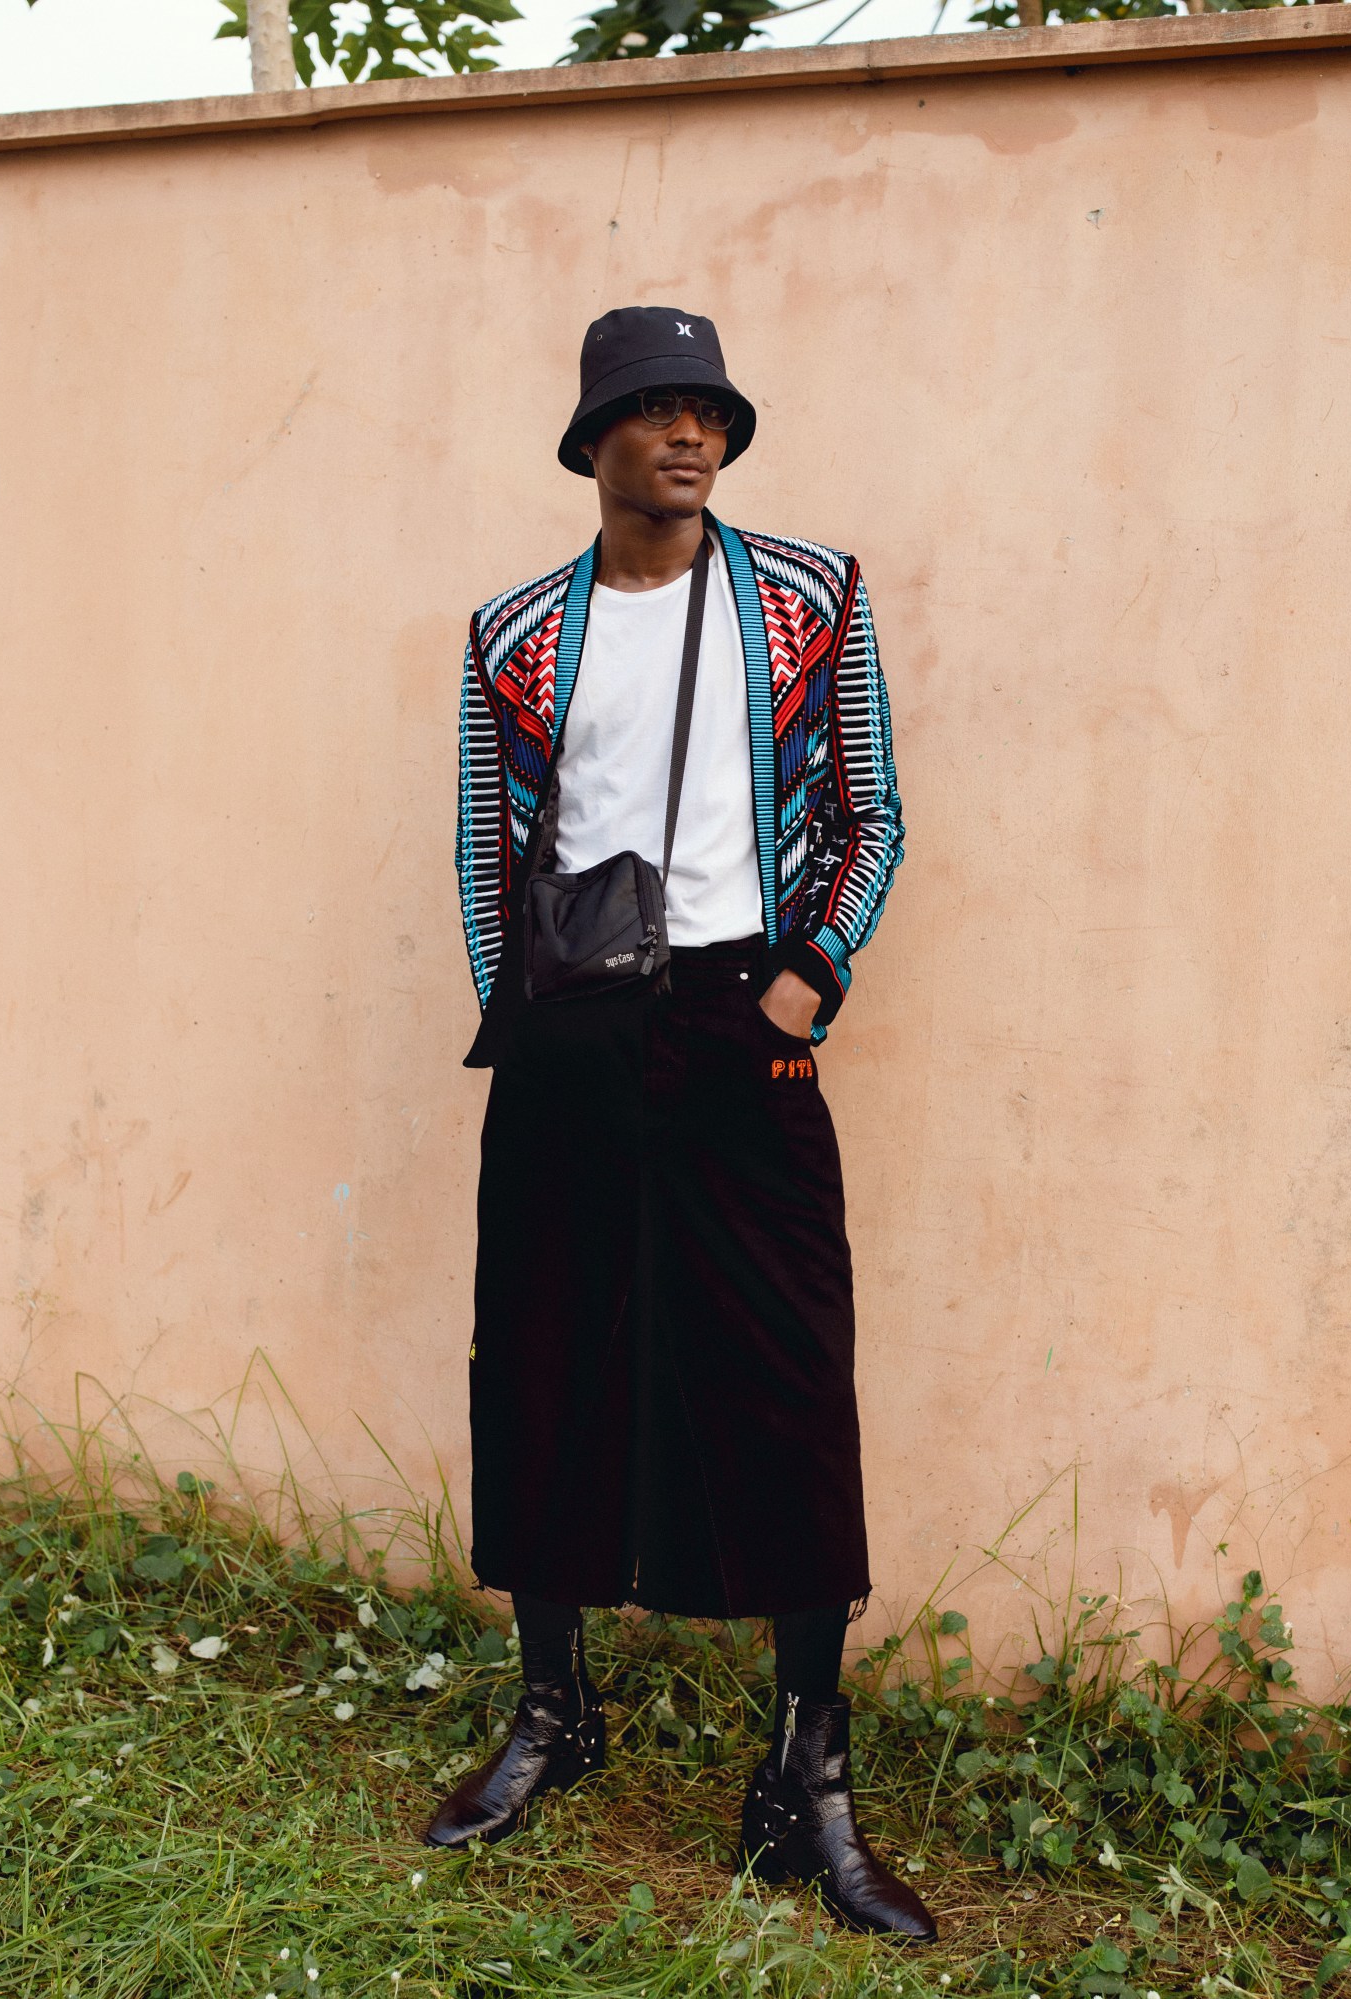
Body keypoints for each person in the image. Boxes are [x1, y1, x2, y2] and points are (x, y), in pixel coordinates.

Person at [428, 306, 930, 1942]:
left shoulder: (807, 597)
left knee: (784, 1371)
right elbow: (487, 846)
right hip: (572, 1030)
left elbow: (868, 805)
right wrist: (529, 1025)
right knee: (551, 1350)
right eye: (649, 409)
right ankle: (553, 1711)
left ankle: (807, 1776)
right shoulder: (514, 632)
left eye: (705, 407)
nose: (686, 433)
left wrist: (805, 982)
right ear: (593, 442)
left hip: (740, 1016)